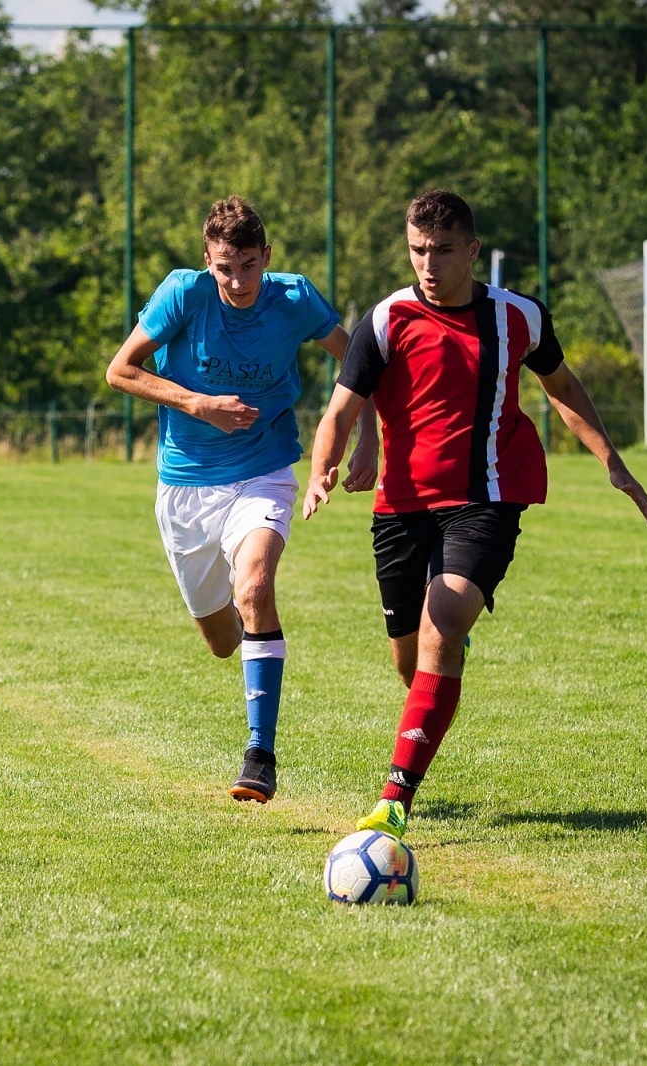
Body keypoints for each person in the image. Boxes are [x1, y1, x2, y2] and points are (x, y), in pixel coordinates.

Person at [300, 189, 647, 838]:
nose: (427, 265)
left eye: (440, 251)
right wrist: (323, 468)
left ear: (472, 250)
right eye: (416, 251)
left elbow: (563, 387)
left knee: (443, 626)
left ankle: (394, 800)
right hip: (401, 507)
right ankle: (431, 704)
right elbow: (341, 408)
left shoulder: (520, 317)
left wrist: (612, 459)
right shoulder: (387, 320)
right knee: (411, 664)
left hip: (488, 497)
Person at [106, 196, 377, 803]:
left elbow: (363, 360)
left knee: (255, 586)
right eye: (225, 268)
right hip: (184, 487)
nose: (237, 281)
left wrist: (368, 437)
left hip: (264, 471)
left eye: (249, 266)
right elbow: (119, 371)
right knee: (223, 640)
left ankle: (260, 755)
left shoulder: (295, 299)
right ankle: (248, 634)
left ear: (267, 258)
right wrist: (197, 404)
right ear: (208, 261)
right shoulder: (184, 293)